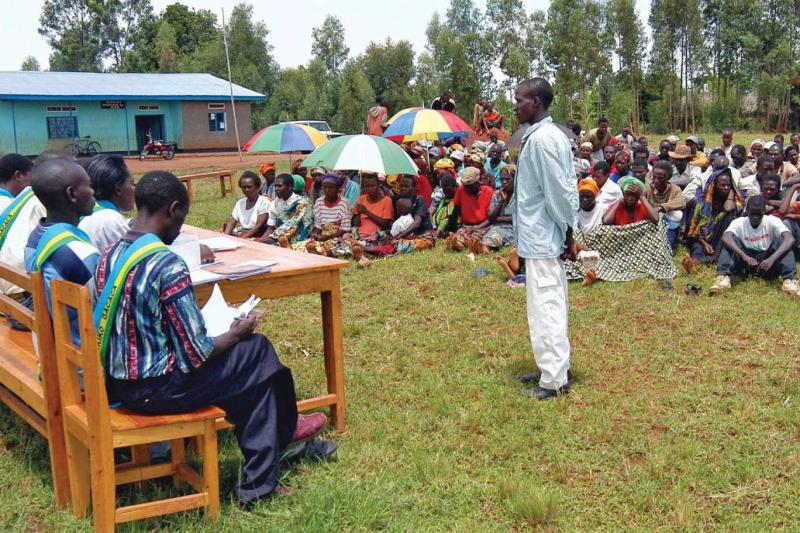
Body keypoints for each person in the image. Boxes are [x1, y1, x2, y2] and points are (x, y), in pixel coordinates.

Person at [96, 171, 334, 508]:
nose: (181, 227)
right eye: (183, 218)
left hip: (119, 383)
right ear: (175, 209)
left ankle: (278, 452)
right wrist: (237, 330)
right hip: (155, 389)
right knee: (256, 351)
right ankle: (277, 448)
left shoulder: (111, 254)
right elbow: (196, 353)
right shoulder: (166, 264)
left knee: (253, 374)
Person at [513, 78, 578, 400]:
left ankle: (553, 380)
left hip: (544, 236)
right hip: (538, 235)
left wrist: (568, 230)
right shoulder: (540, 137)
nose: (515, 106)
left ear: (535, 102)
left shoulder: (543, 140)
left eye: (520, 100)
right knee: (544, 305)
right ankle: (552, 367)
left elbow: (559, 192)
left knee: (547, 306)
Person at [23, 159, 98, 344]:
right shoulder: (80, 254)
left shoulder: (35, 237)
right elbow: (106, 307)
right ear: (72, 194)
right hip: (81, 356)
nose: (93, 191)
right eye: (88, 186)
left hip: (50, 346)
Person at [710, 195, 800, 296]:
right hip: (745, 264)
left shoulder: (773, 221)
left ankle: (790, 281)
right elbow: (725, 237)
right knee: (730, 240)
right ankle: (722, 278)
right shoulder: (739, 222)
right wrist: (744, 256)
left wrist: (772, 259)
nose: (755, 217)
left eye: (759, 213)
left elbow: (790, 238)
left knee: (783, 241)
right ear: (747, 210)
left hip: (767, 264)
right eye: (752, 213)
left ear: (764, 210)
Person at [76, 154, 136, 252]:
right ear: (118, 189)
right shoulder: (110, 220)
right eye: (132, 183)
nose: (135, 189)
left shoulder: (90, 212)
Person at [686, 167, 741, 264]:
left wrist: (731, 194)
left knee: (728, 218)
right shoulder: (701, 203)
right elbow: (692, 230)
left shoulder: (734, 202)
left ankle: (715, 257)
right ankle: (699, 260)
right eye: (723, 185)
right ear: (714, 185)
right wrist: (705, 243)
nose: (726, 188)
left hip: (721, 239)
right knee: (697, 249)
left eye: (729, 185)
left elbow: (728, 208)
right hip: (701, 238)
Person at [260, 174, 312, 245]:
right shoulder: (275, 203)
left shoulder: (302, 203)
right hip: (279, 238)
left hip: (298, 238)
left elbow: (293, 224)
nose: (276, 188)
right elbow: (270, 227)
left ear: (290, 187)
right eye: (275, 186)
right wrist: (261, 240)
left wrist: (271, 238)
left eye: (279, 186)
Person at [643, 161, 686, 246]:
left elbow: (682, 202)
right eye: (654, 177)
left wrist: (661, 207)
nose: (656, 181)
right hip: (650, 220)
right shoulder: (647, 188)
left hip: (668, 222)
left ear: (668, 178)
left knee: (677, 215)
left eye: (660, 178)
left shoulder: (675, 189)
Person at [223, 171, 271, 239]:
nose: (246, 190)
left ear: (257, 186)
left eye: (249, 187)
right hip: (243, 234)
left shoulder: (264, 202)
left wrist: (241, 239)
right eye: (244, 187)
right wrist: (225, 237)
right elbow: (231, 222)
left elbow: (257, 227)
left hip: (257, 236)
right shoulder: (240, 203)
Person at [352, 173, 393, 242]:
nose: (370, 189)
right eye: (367, 186)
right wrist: (359, 213)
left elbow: (386, 224)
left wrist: (366, 212)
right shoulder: (361, 199)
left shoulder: (387, 200)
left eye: (372, 186)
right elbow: (356, 223)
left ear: (378, 185)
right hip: (359, 235)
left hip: (377, 236)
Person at [481, 166, 515, 250]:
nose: (504, 182)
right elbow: (491, 217)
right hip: (496, 227)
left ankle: (484, 249)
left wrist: (498, 218)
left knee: (492, 238)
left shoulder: (520, 196)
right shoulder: (497, 195)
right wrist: (501, 201)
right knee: (485, 236)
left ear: (515, 179)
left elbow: (517, 218)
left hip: (513, 228)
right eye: (502, 179)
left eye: (507, 179)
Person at [312, 174, 352, 241]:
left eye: (331, 187)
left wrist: (327, 237)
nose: (327, 190)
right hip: (322, 237)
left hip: (339, 238)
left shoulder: (344, 203)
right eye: (325, 187)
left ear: (337, 189)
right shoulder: (319, 202)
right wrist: (315, 234)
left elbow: (345, 229)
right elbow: (318, 225)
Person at [391, 175, 433, 240]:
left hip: (422, 233)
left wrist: (399, 237)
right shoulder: (399, 201)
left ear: (413, 188)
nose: (403, 188)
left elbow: (417, 223)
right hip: (408, 234)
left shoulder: (418, 199)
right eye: (401, 186)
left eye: (406, 186)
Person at [431, 174, 459, 238]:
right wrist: (432, 228)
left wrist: (438, 231)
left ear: (455, 187)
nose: (446, 189)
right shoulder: (442, 200)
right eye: (443, 187)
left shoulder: (456, 201)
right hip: (436, 226)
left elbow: (447, 218)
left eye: (448, 186)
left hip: (450, 227)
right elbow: (432, 213)